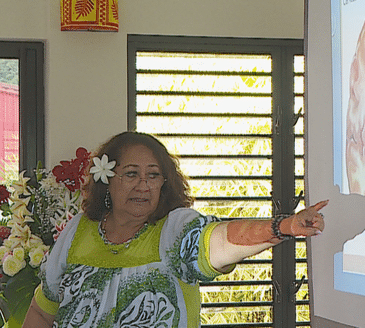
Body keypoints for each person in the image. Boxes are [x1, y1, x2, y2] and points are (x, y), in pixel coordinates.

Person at [23, 131, 327, 327]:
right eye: (131, 174)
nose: (143, 184)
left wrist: (282, 226)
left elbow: (218, 242)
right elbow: (42, 310)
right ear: (108, 180)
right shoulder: (78, 229)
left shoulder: (174, 228)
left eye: (153, 176)